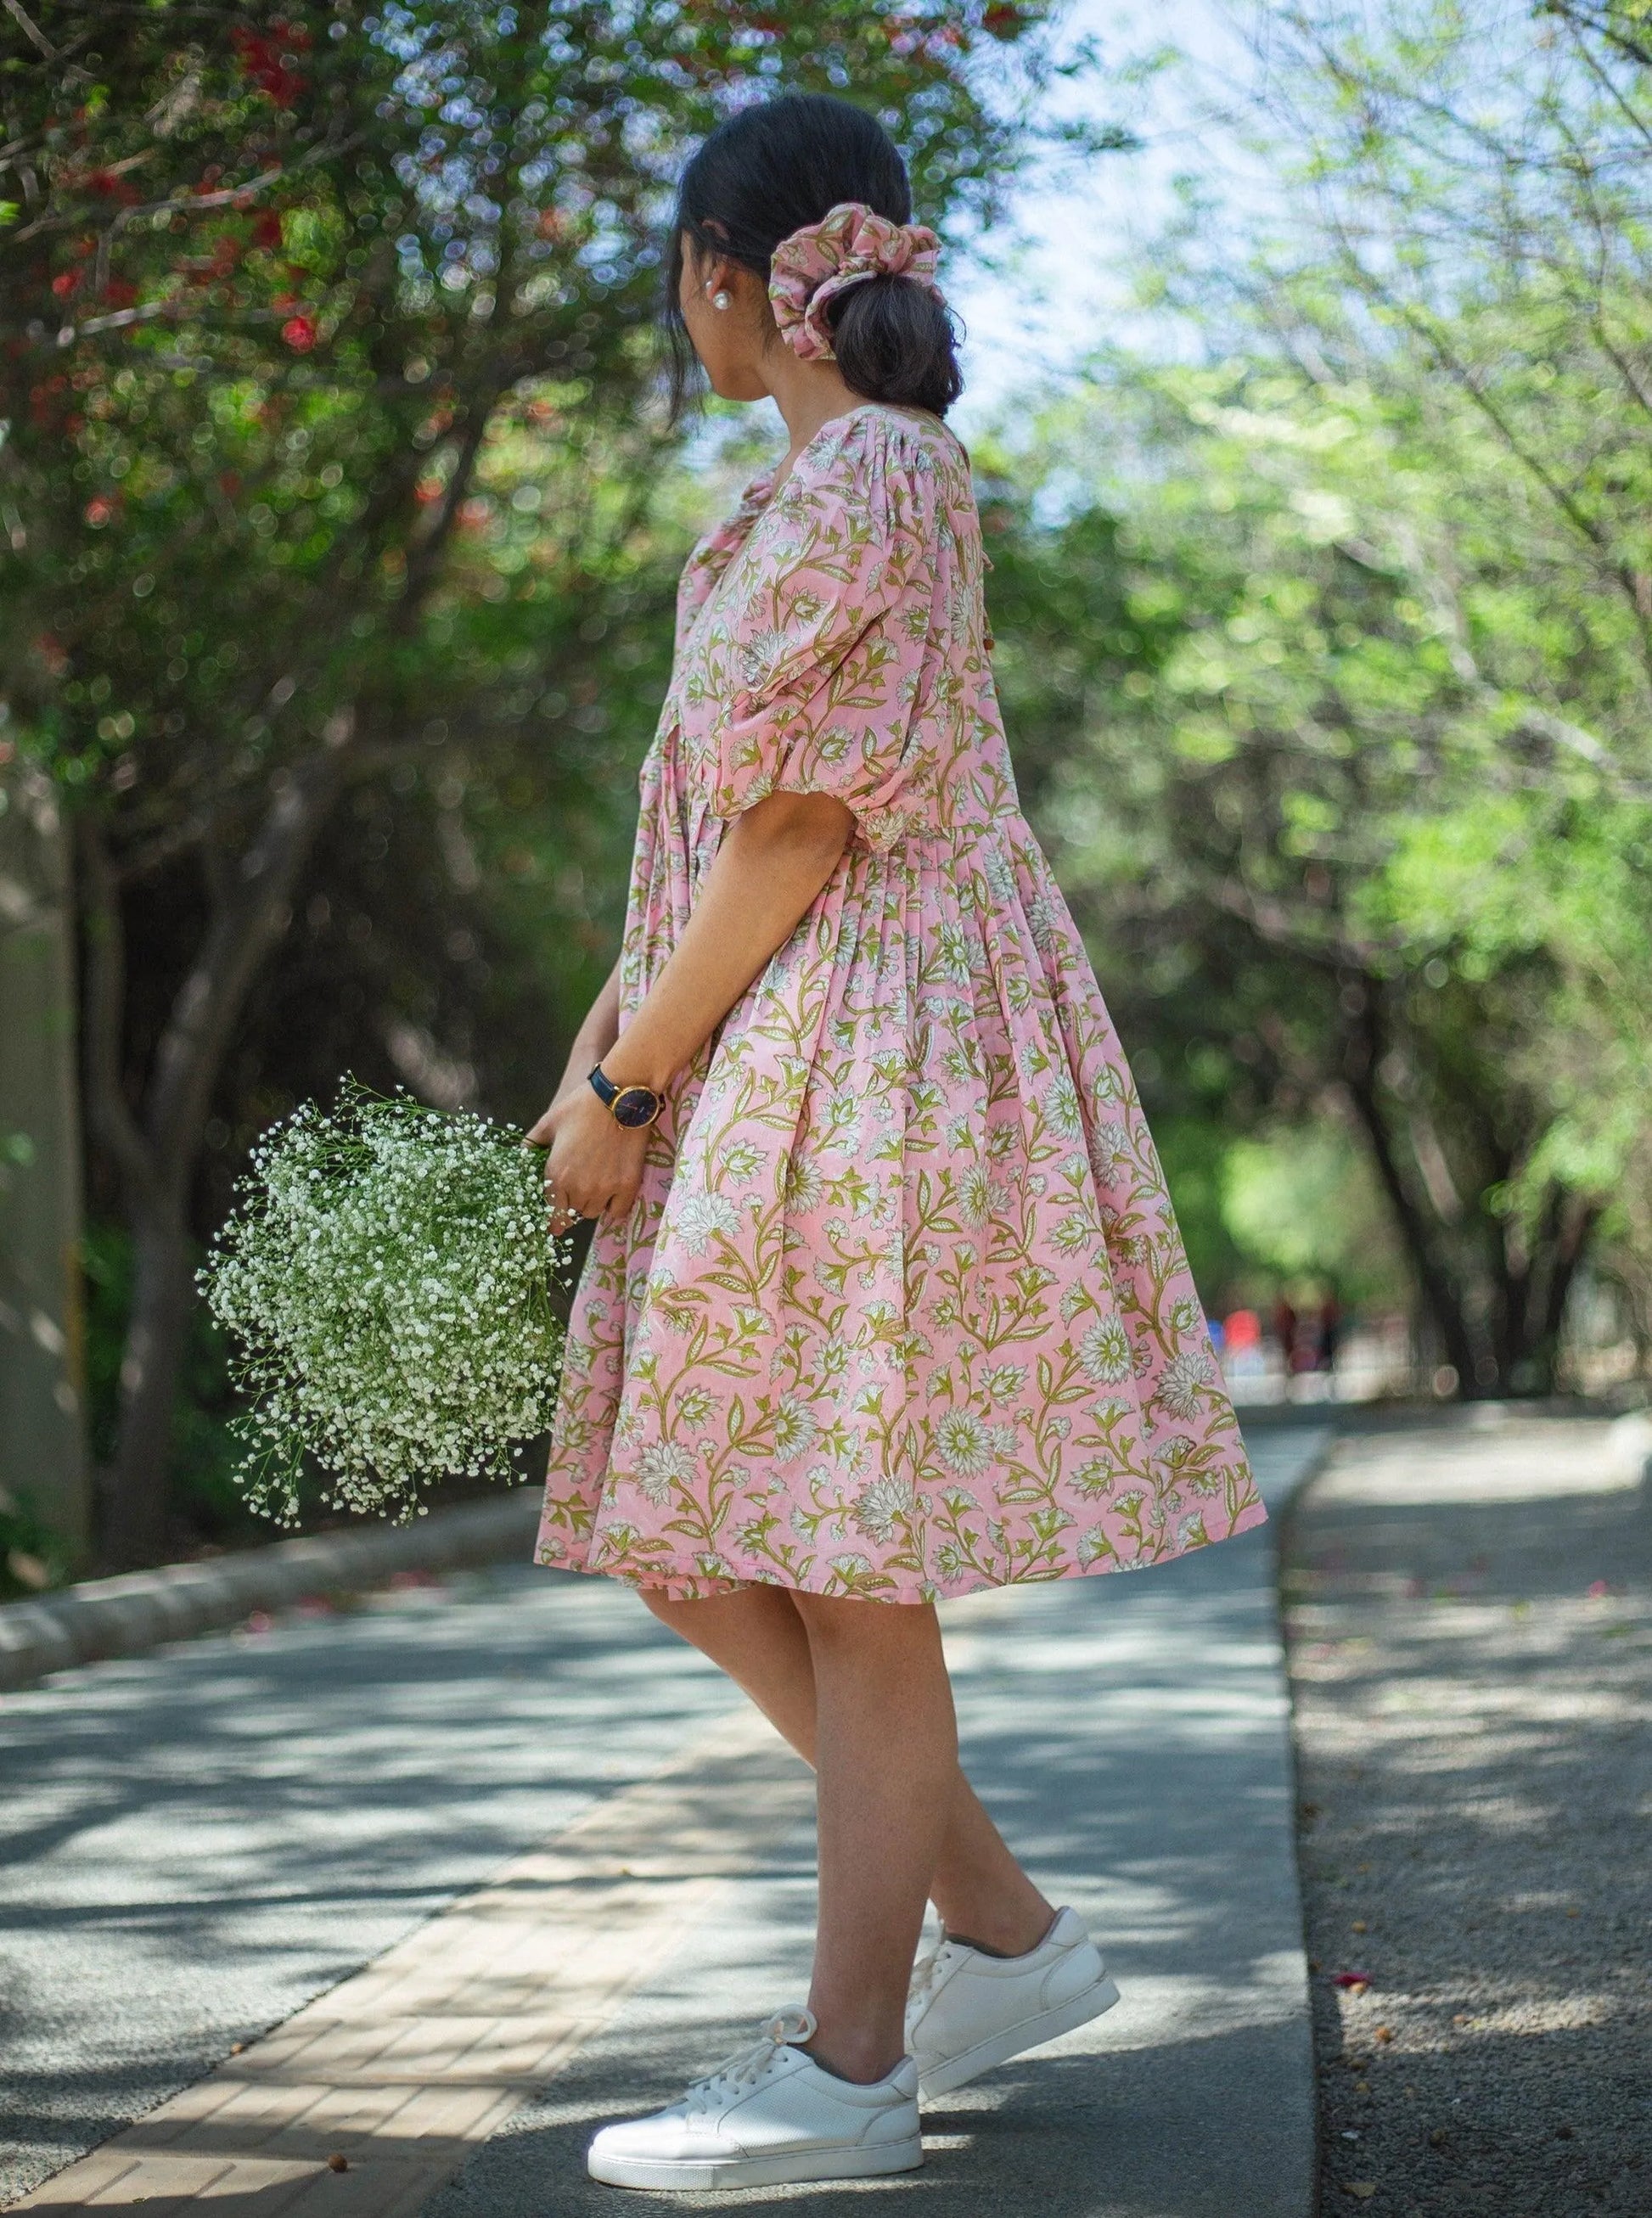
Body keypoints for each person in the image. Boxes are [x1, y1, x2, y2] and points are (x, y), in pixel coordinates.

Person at [527, 92, 1267, 2193]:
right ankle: (1005, 1941)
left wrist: (635, 1075)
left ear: (724, 278)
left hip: (858, 1042)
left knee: (837, 1558)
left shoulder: (868, 477)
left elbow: (795, 824)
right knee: (700, 1526)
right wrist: (608, 1043)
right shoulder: (824, 489)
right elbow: (711, 830)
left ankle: (851, 2065)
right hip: (782, 1035)